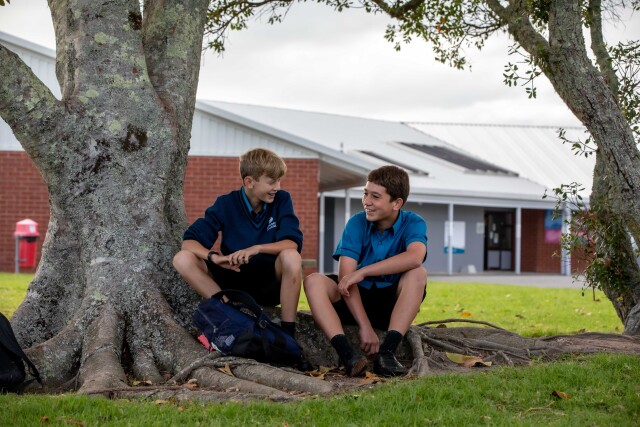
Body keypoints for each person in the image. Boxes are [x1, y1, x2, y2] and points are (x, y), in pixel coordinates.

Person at [304, 165, 427, 377]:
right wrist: (365, 326)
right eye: (365, 193)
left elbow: (415, 257)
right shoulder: (356, 222)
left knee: (418, 273)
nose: (366, 201)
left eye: (375, 196)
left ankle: (387, 354)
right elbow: (346, 278)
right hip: (354, 300)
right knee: (313, 280)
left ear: (397, 203)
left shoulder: (414, 222)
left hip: (390, 305)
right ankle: (349, 357)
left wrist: (364, 271)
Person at [173, 148, 304, 340]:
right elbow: (189, 243)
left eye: (279, 181)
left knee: (291, 256)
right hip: (233, 282)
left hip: (269, 284)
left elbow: (292, 244)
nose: (277, 187)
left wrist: (257, 248)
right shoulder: (225, 203)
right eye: (271, 182)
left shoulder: (282, 199)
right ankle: (231, 314)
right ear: (249, 182)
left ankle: (287, 335)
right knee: (182, 259)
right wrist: (215, 258)